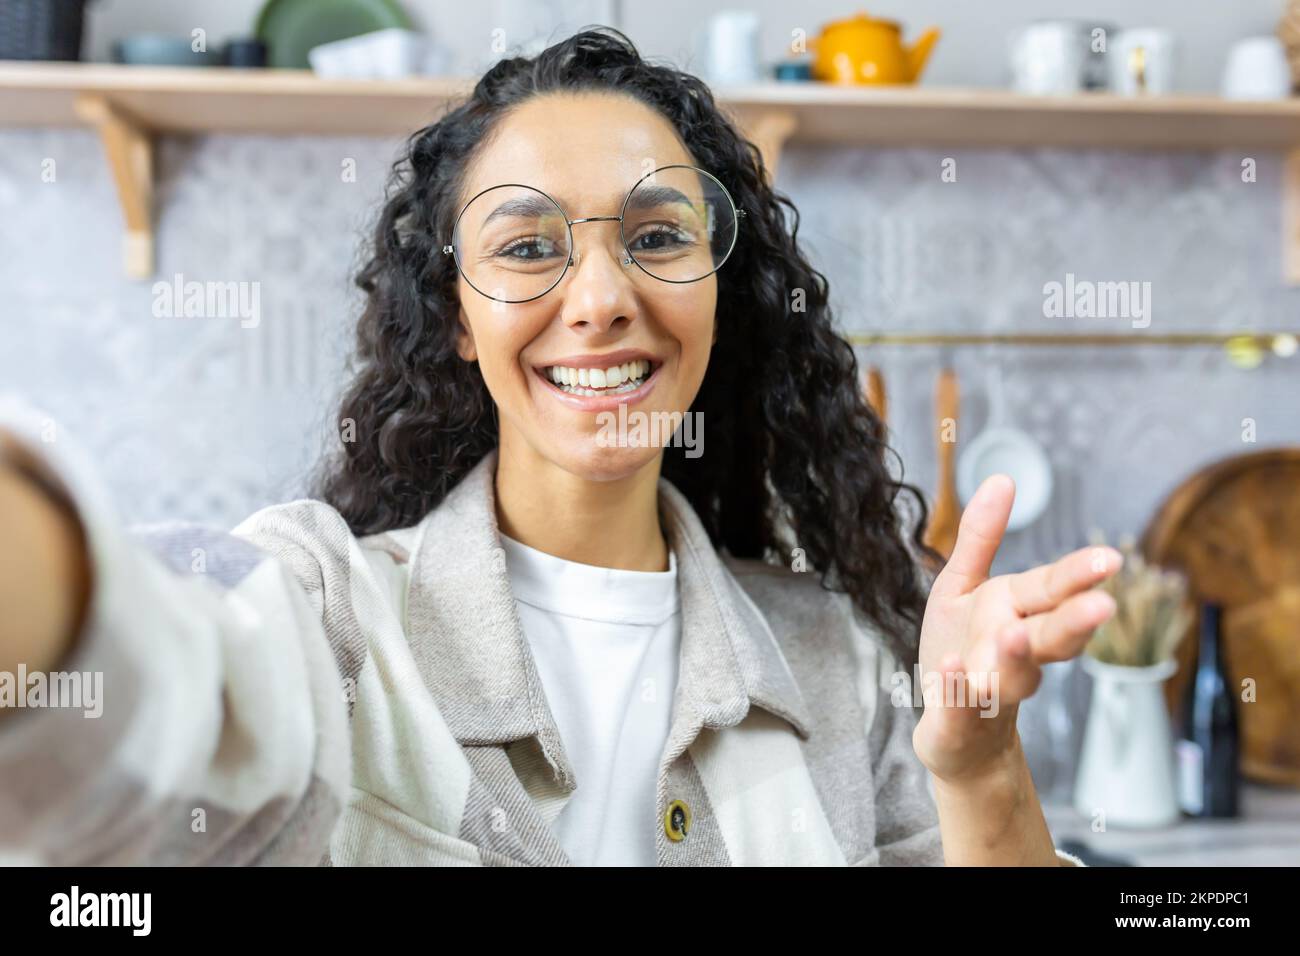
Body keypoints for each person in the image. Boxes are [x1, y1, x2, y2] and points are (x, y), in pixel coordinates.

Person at [0, 27, 1119, 866]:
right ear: (455, 312)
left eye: (656, 237)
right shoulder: (329, 611)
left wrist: (978, 771)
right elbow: (158, 707)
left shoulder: (839, 661)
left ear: (717, 291)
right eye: (528, 244)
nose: (599, 296)